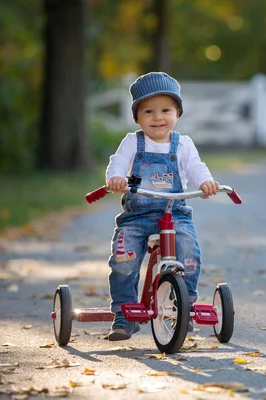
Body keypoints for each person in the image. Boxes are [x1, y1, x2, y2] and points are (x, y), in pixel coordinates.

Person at [105, 72, 219, 341]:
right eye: (148, 111)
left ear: (177, 112)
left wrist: (205, 182)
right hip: (137, 216)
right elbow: (118, 162)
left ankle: (185, 304)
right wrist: (116, 178)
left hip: (174, 213)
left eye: (165, 110)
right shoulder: (133, 142)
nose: (157, 117)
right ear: (137, 117)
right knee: (124, 260)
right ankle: (123, 313)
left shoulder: (184, 144)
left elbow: (195, 168)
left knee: (188, 250)